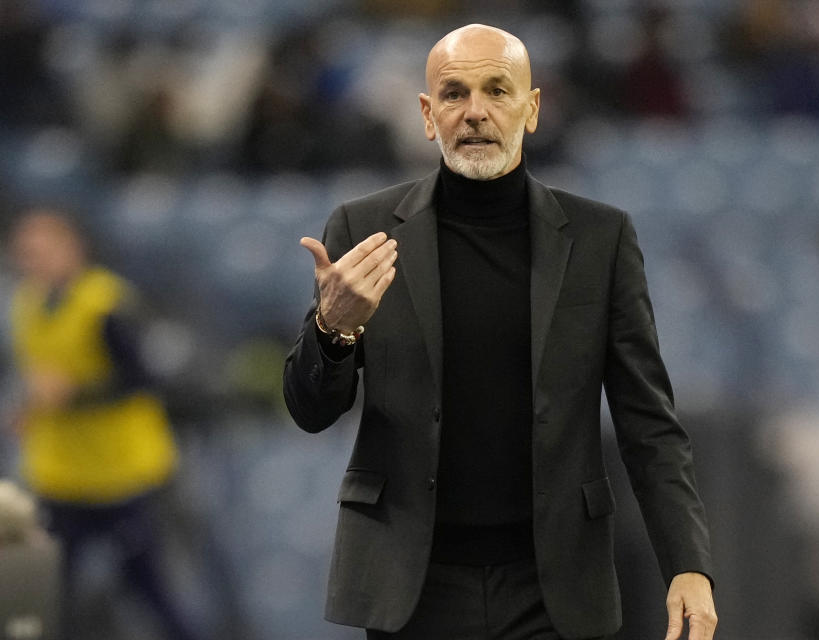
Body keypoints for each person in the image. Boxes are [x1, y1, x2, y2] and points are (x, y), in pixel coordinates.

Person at [283, 24, 717, 640]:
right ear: (429, 116)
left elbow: (649, 423)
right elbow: (308, 410)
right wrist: (333, 329)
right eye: (454, 94)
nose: (476, 112)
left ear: (532, 108)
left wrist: (689, 565)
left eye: (497, 90)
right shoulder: (363, 228)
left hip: (553, 586)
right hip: (413, 584)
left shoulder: (601, 240)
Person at [6, 209, 199, 640]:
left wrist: (75, 395)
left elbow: (144, 379)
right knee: (40, 597)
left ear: (73, 248)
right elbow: (41, 379)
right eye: (25, 253)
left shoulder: (107, 304)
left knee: (149, 589)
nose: (31, 261)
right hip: (60, 476)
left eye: (41, 250)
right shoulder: (27, 303)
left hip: (121, 476)